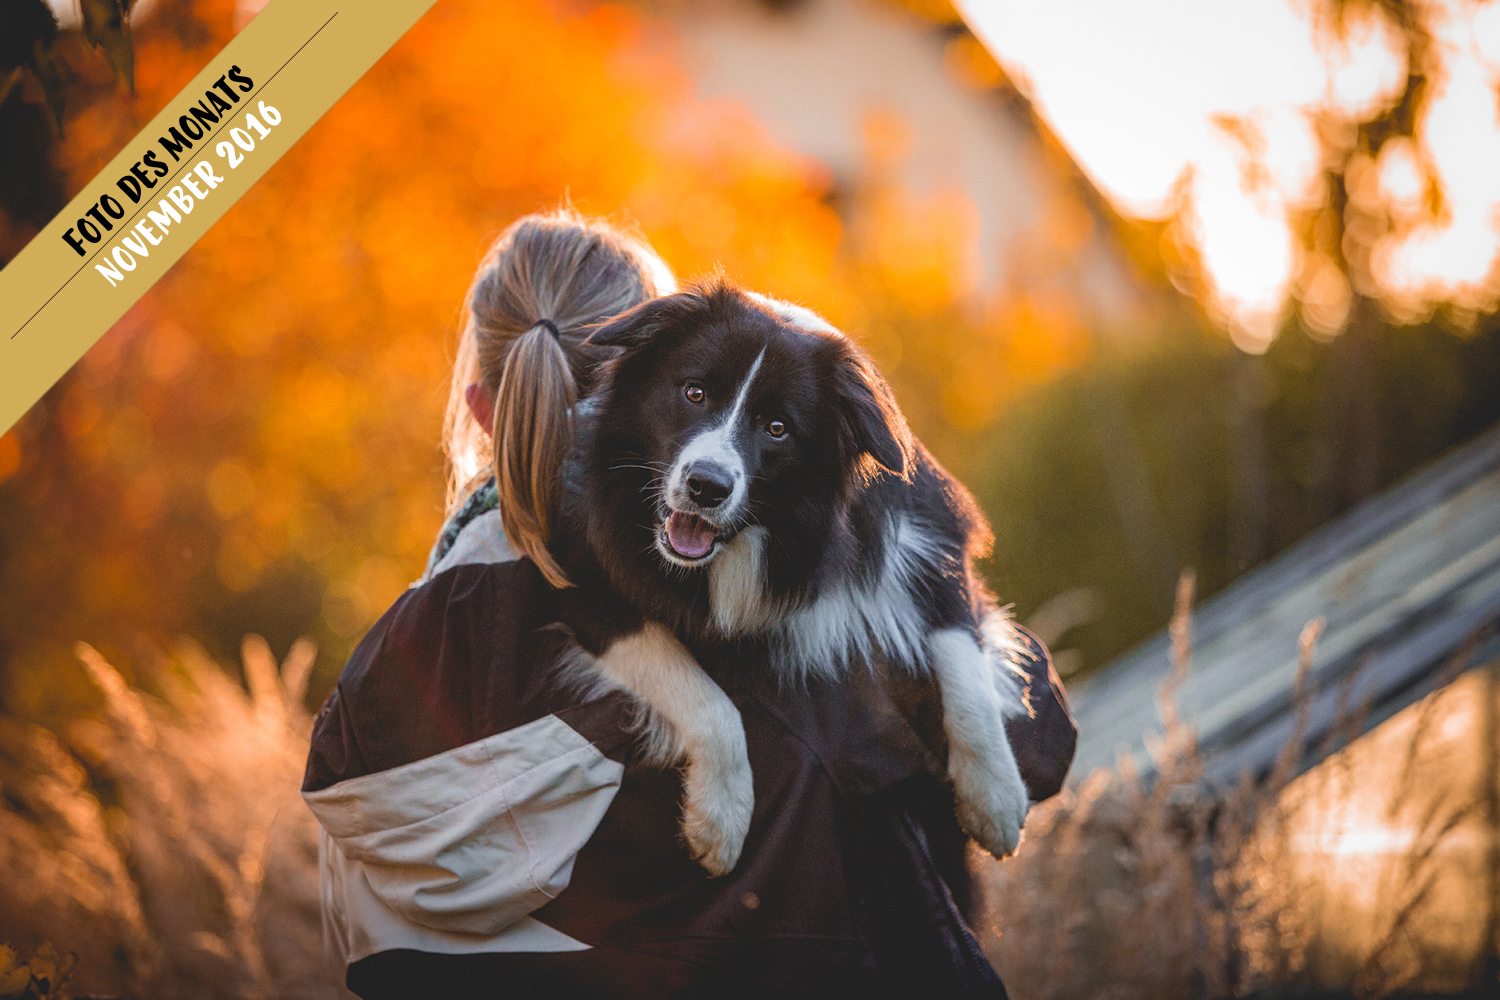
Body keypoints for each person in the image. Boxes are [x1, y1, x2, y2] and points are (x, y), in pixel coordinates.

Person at [301, 210, 1077, 999]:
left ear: (478, 407)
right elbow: (1040, 753)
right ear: (642, 371)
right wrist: (896, 483)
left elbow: (381, 954)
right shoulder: (746, 621)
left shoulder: (399, 654)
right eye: (699, 389)